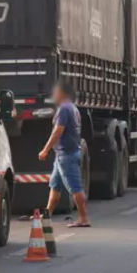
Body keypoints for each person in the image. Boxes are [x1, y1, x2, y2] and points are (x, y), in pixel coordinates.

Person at [38, 80, 91, 227]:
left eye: (56, 92)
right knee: (55, 186)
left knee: (75, 188)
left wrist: (45, 150)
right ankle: (46, 215)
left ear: (62, 93)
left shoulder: (64, 109)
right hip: (64, 154)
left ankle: (83, 218)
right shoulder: (72, 108)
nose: (54, 95)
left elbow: (58, 131)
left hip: (66, 155)